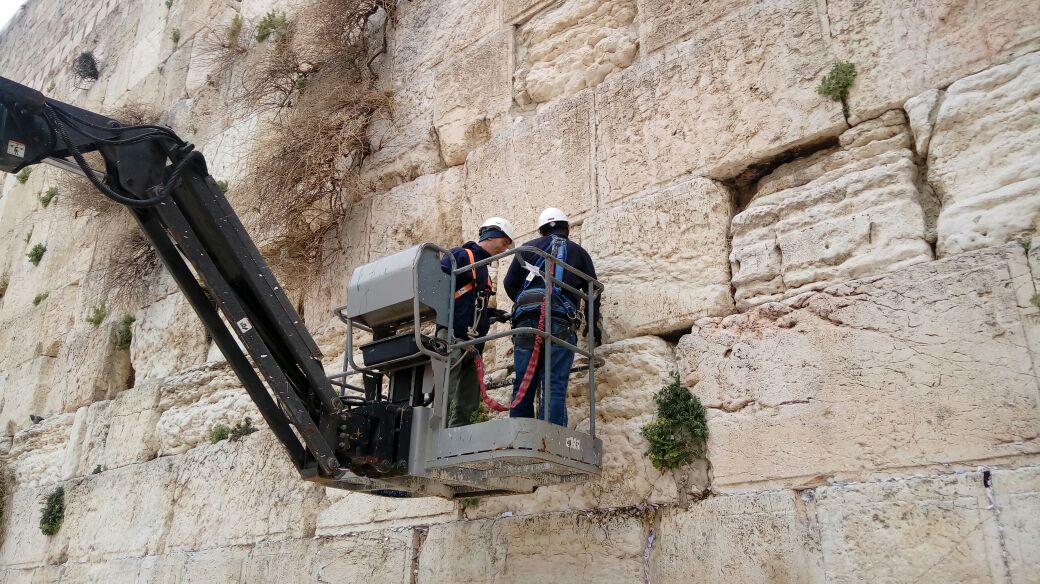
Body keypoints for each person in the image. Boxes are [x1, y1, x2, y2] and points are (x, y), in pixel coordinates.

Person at [503, 207, 601, 427]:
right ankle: (551, 436)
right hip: (560, 320)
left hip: (526, 320)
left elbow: (509, 283)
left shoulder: (528, 248)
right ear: (566, 229)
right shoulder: (578, 252)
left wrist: (525, 304)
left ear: (541, 231)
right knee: (553, 383)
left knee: (523, 383)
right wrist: (592, 326)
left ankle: (520, 436)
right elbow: (593, 292)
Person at [440, 217, 514, 427]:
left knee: (469, 398)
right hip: (453, 337)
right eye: (505, 242)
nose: (505, 248)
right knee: (445, 390)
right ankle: (435, 433)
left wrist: (489, 315)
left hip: (473, 344)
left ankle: (455, 432)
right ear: (492, 235)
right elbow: (438, 286)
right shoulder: (461, 255)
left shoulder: (483, 270)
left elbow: (470, 302)